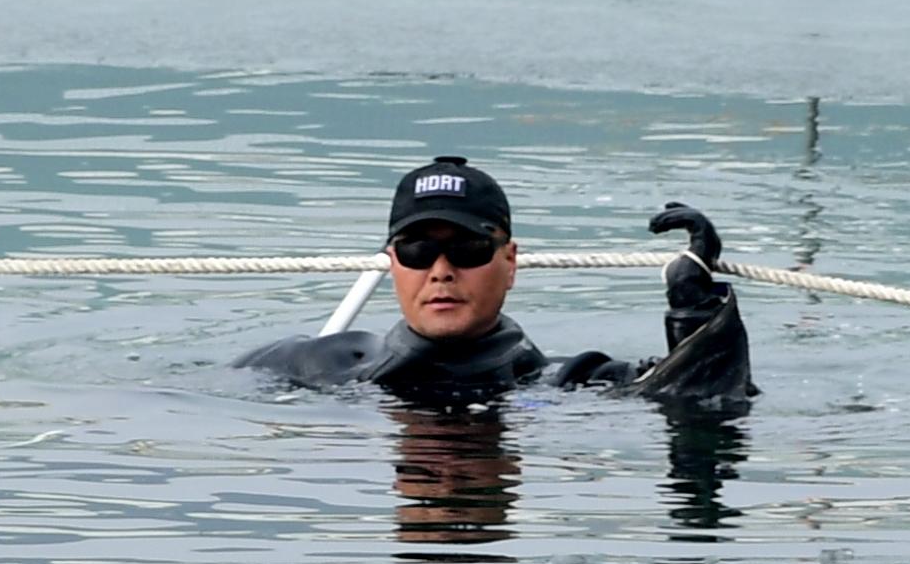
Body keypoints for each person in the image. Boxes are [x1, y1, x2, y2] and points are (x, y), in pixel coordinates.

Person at [232, 156, 758, 413]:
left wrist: (694, 310)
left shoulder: (570, 383)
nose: (441, 270)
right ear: (392, 262)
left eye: (466, 250)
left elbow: (707, 407)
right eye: (418, 251)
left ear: (509, 262)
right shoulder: (309, 364)